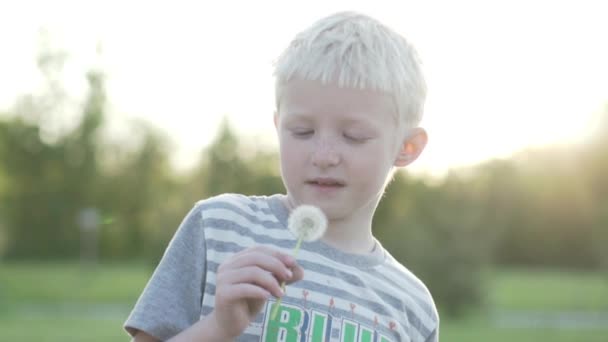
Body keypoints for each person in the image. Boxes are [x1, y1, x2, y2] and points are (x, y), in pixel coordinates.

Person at [125, 11, 439, 342]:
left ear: (407, 147)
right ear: (278, 127)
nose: (323, 156)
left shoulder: (411, 306)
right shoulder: (219, 228)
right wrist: (219, 328)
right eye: (302, 132)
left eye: (354, 136)